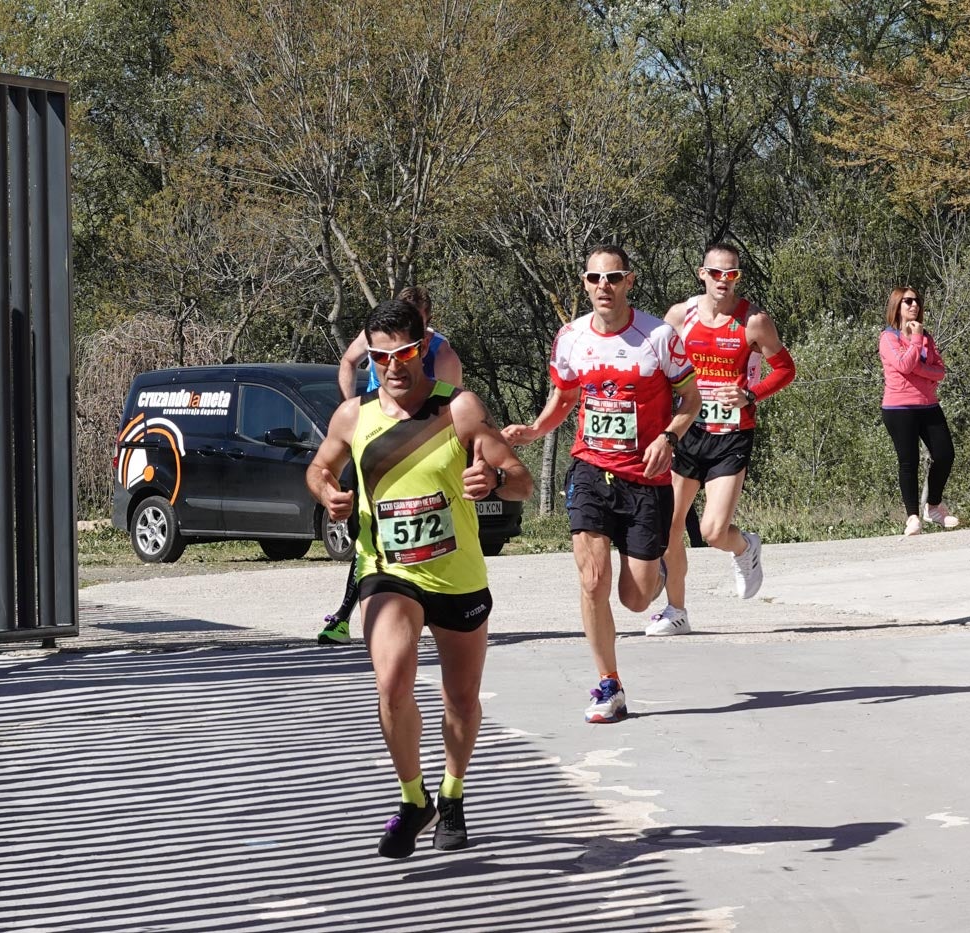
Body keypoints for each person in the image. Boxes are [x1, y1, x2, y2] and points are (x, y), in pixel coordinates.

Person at [307, 299, 532, 858]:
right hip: (388, 573)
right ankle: (414, 799)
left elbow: (521, 480)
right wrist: (327, 492)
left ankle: (452, 794)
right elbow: (318, 466)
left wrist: (492, 482)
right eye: (380, 357)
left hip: (455, 575)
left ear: (423, 346)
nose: (393, 366)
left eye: (404, 353)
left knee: (461, 697)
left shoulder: (457, 409)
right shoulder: (353, 417)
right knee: (391, 680)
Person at [503, 245, 701, 724]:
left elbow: (691, 399)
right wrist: (534, 430)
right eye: (594, 279)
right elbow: (565, 396)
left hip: (646, 478)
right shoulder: (570, 338)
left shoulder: (658, 336)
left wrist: (667, 438)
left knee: (635, 599)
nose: (603, 287)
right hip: (591, 470)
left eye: (613, 278)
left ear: (629, 281)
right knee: (592, 579)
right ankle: (608, 684)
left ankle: (656, 577)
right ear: (585, 283)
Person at [647, 242, 796, 637]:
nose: (723, 281)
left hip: (732, 433)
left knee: (713, 531)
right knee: (669, 528)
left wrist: (752, 393)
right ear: (702, 274)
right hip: (688, 431)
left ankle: (745, 548)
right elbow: (656, 368)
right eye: (716, 273)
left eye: (731, 275)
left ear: (738, 278)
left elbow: (785, 369)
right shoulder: (681, 316)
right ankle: (676, 610)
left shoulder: (754, 321)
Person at [319, 285, 463, 645]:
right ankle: (345, 615)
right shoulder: (374, 337)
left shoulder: (442, 352)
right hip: (372, 435)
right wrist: (350, 405)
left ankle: (429, 606)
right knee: (368, 531)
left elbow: (451, 409)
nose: (393, 360)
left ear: (425, 324)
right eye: (382, 355)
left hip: (418, 447)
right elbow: (348, 361)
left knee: (420, 528)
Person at [879, 286, 959, 535]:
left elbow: (940, 371)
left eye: (917, 301)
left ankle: (933, 506)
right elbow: (903, 364)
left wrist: (918, 368)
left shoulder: (928, 337)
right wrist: (915, 341)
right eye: (908, 301)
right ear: (897, 306)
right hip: (899, 407)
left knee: (945, 454)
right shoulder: (889, 337)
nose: (914, 305)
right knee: (909, 461)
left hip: (928, 405)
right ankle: (912, 516)